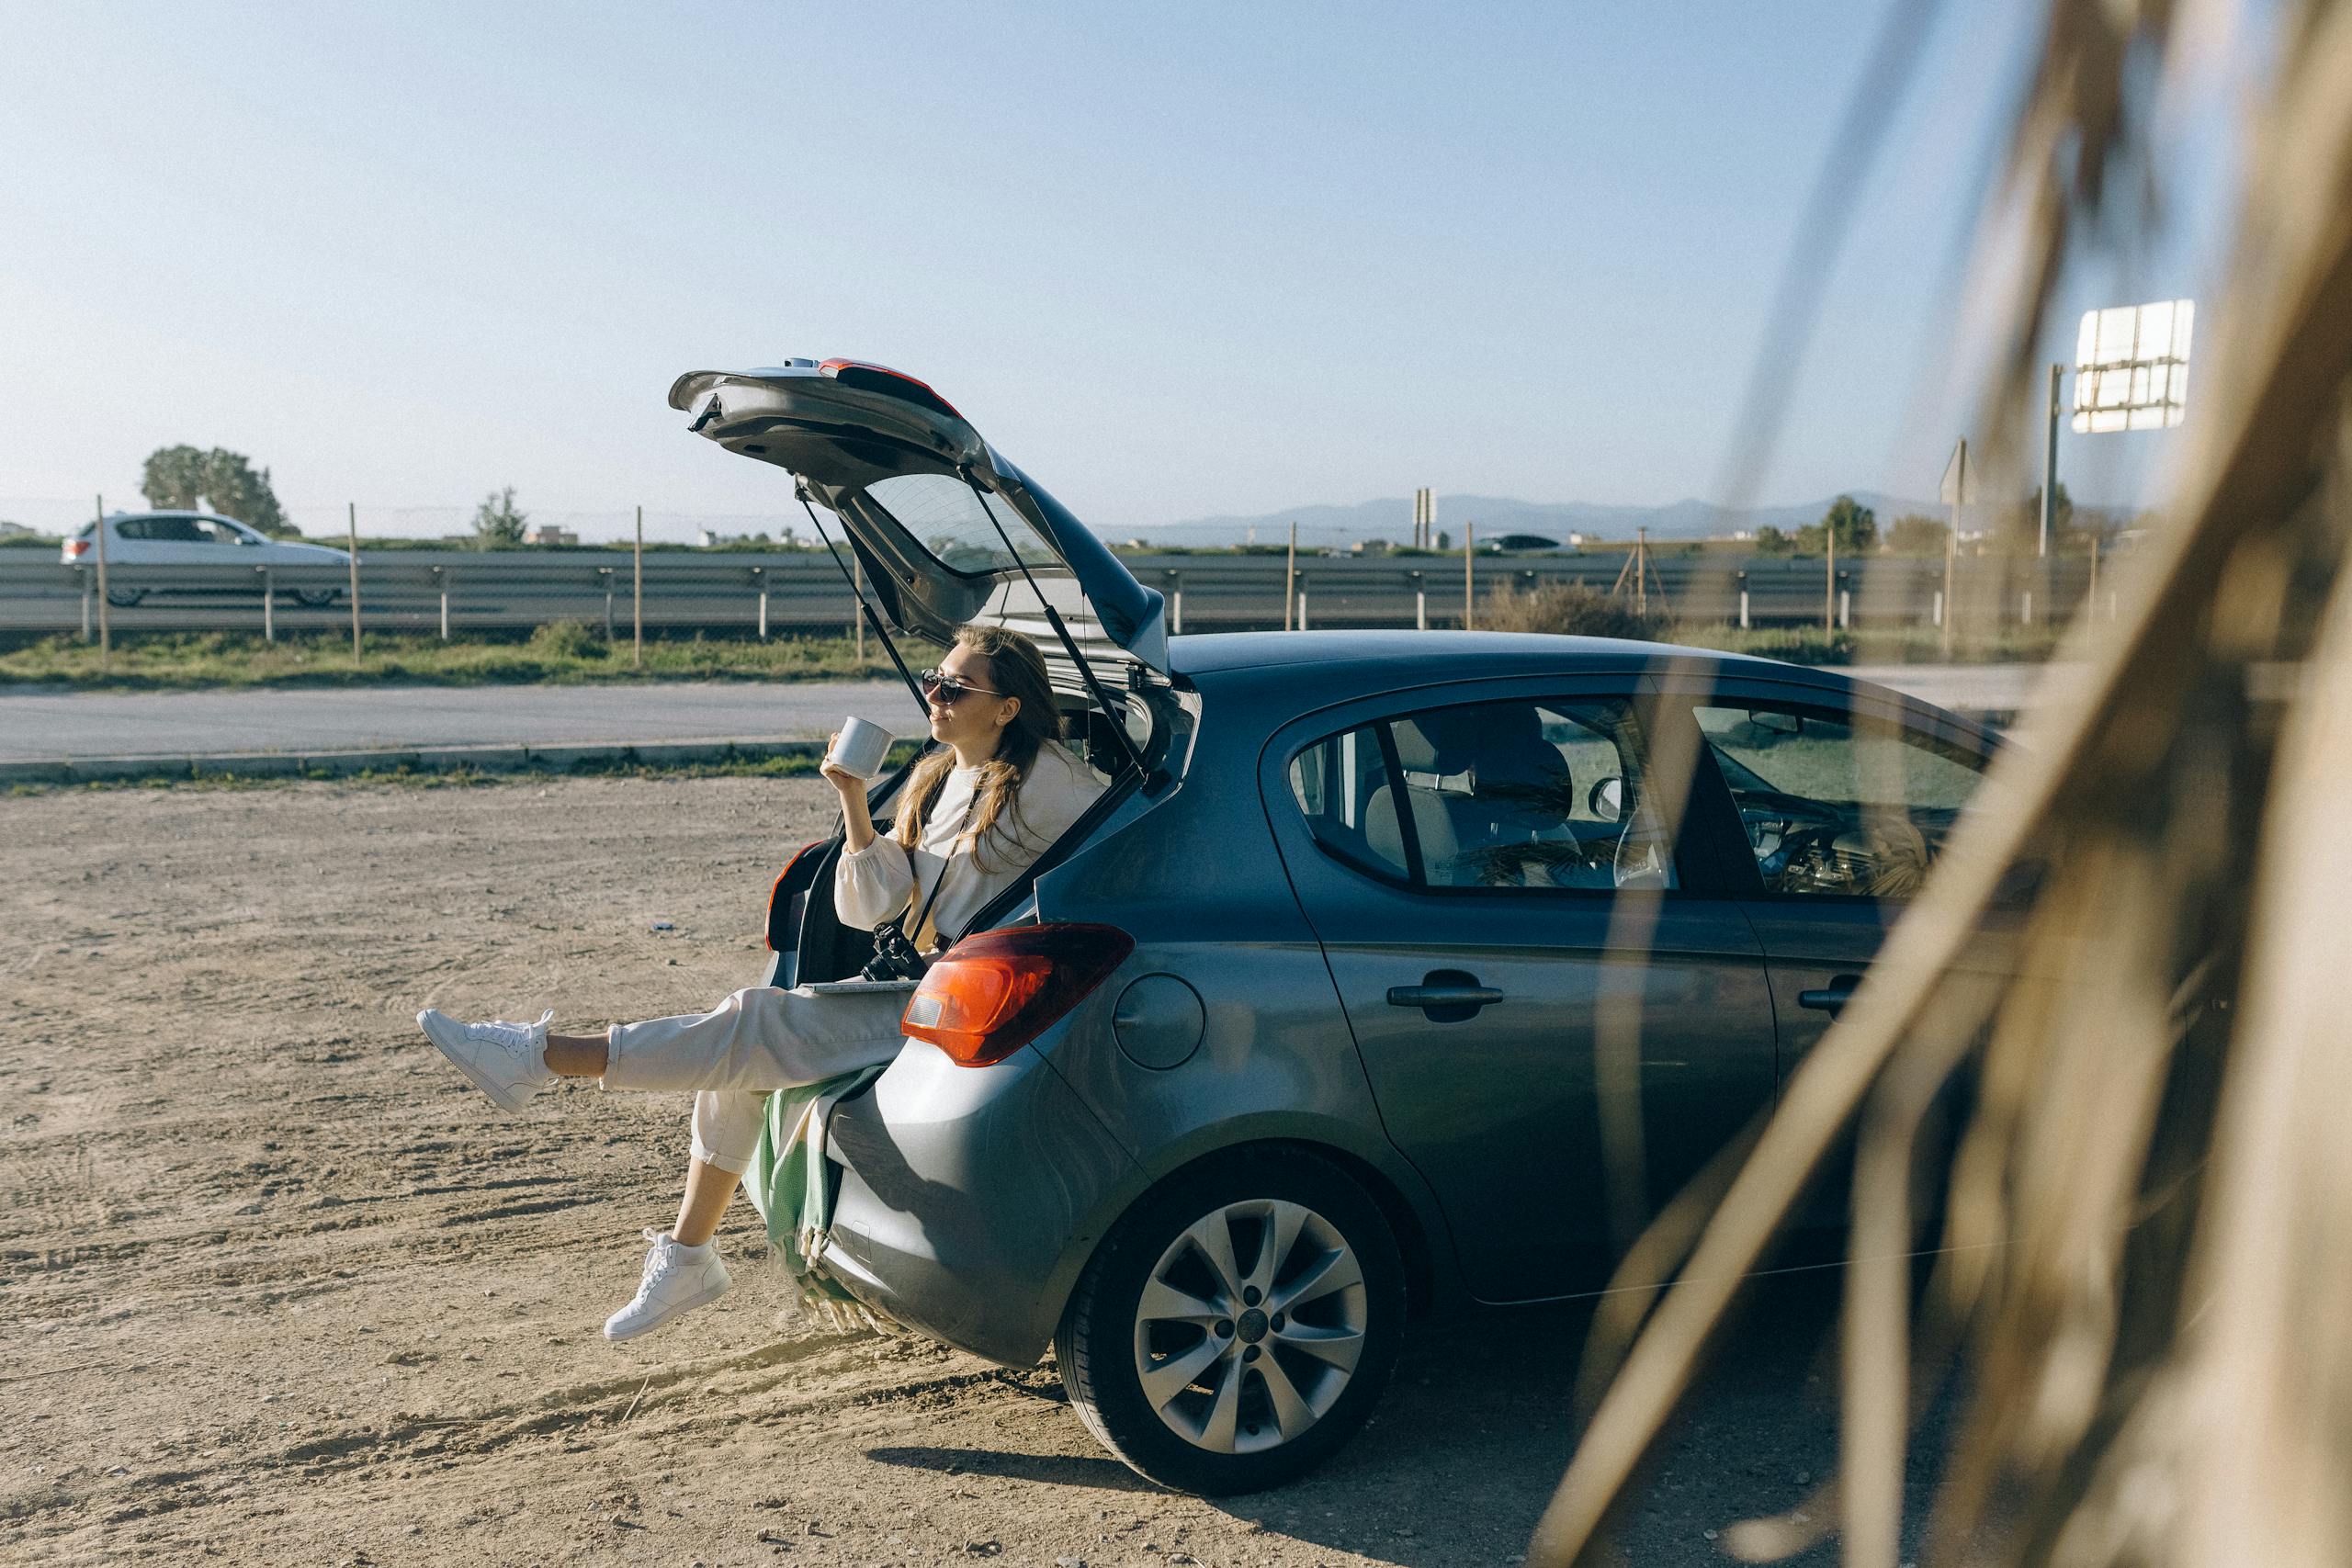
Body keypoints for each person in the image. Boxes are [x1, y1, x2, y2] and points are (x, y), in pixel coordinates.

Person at [416, 626, 1107, 1340]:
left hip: (963, 995)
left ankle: (541, 1056)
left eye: (956, 687)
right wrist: (852, 800)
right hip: (903, 978)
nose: (934, 693)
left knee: (752, 1022)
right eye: (935, 678)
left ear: (1007, 709)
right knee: (736, 1067)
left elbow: (1125, 830)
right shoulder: (937, 776)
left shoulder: (1054, 784)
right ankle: (687, 1255)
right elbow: (872, 905)